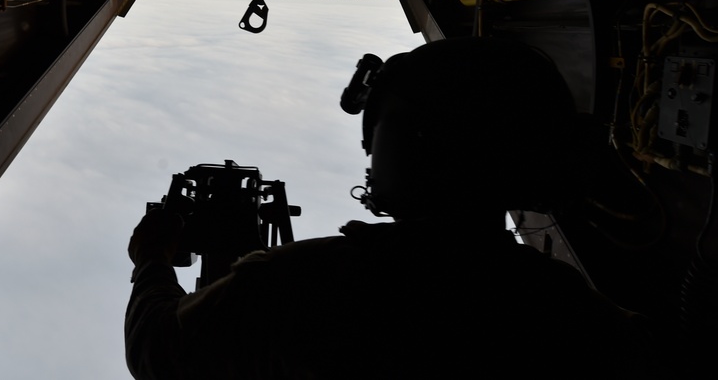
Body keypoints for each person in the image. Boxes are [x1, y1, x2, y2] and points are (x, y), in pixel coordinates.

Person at [125, 37, 653, 379]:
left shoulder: (302, 283)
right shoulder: (571, 308)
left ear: (410, 141)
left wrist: (151, 259)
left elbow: (159, 353)